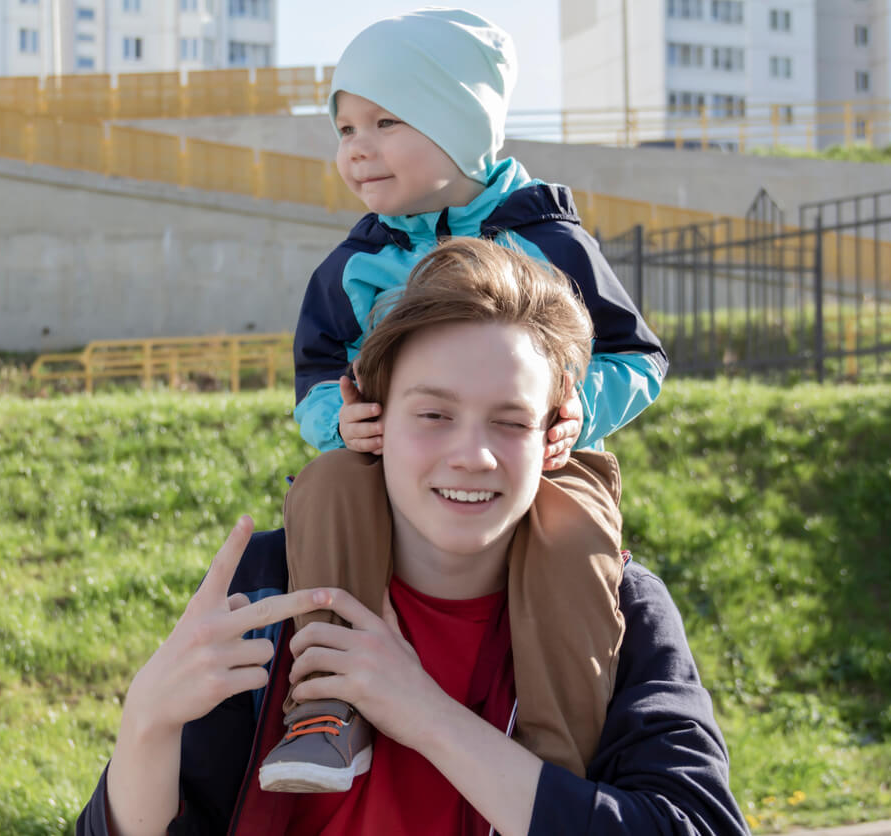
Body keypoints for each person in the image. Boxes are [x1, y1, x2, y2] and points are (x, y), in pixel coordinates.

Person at [76, 238, 745, 836]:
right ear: (371, 416)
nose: (472, 455)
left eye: (510, 421)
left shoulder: (620, 608)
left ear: (552, 435)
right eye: (433, 413)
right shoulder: (273, 588)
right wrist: (146, 722)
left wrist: (424, 714)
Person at [275, 7, 667, 790]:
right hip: (395, 456)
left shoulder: (547, 240)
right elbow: (316, 372)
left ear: (460, 121)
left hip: (539, 457)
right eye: (345, 128)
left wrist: (578, 408)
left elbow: (638, 356)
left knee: (572, 536)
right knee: (323, 489)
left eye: (385, 121)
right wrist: (337, 420)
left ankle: (559, 758)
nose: (357, 148)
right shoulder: (355, 265)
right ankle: (326, 713)